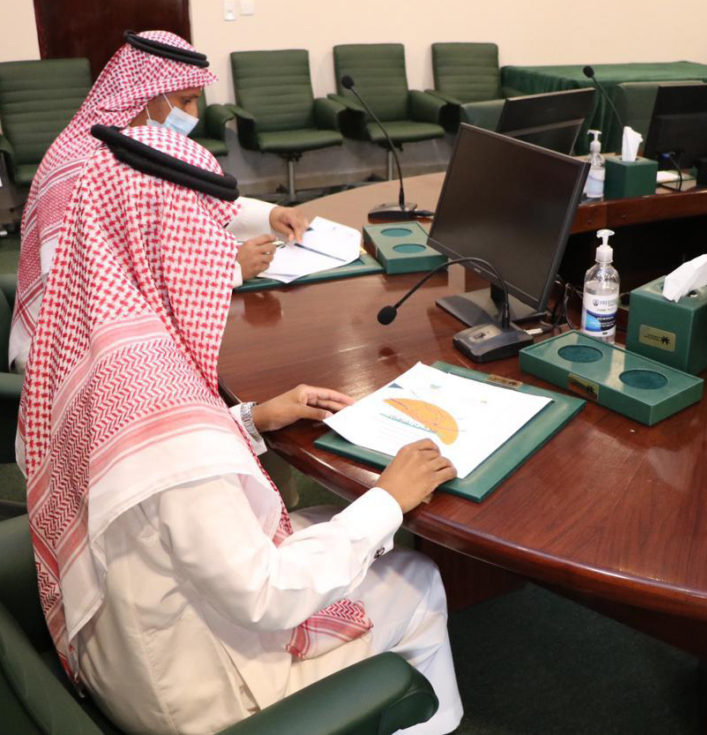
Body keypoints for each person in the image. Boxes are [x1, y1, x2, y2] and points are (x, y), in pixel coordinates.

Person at [17, 123, 463, 735]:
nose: (217, 254)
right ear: (167, 243)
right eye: (205, 235)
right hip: (191, 686)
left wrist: (252, 420)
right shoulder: (160, 401)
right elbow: (266, 593)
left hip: (120, 632)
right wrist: (388, 498)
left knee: (331, 525)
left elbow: (141, 472)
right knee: (418, 578)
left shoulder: (86, 345)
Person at [8, 30, 304, 373]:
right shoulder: (80, 168)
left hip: (123, 330)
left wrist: (271, 215)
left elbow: (201, 207)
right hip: (66, 351)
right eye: (185, 101)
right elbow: (97, 286)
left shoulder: (146, 147)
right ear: (144, 96)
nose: (193, 115)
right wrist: (228, 270)